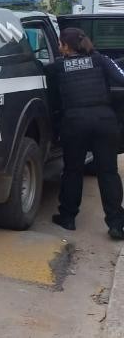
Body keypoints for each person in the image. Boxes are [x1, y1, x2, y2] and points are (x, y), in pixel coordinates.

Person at [49, 27, 124, 239]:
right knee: (108, 172)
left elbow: (49, 93)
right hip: (104, 121)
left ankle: (68, 218)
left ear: (66, 46)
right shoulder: (101, 60)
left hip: (74, 123)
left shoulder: (57, 67)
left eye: (60, 43)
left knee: (72, 170)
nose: (58, 47)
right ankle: (116, 224)